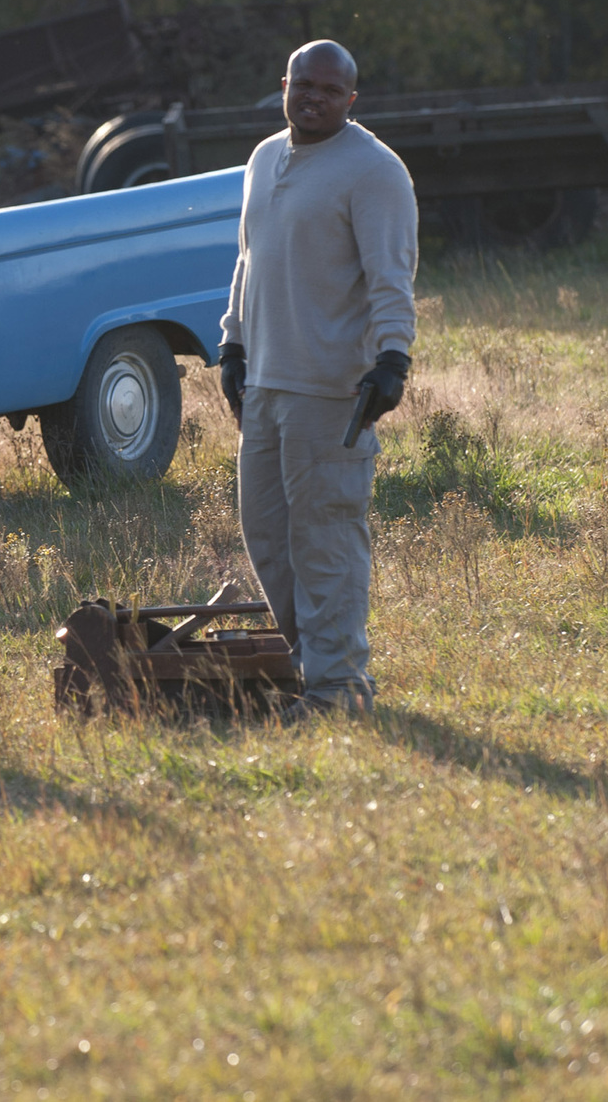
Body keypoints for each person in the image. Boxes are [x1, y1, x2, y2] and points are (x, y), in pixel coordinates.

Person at [218, 40, 417, 721]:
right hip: (266, 384)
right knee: (267, 534)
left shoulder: (374, 171)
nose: (314, 98)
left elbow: (392, 277)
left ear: (351, 99)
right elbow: (250, 257)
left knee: (325, 540)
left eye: (330, 91)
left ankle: (340, 690)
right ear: (284, 84)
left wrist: (393, 358)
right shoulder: (264, 156)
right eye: (304, 85)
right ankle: (311, 669)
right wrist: (232, 342)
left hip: (330, 394)